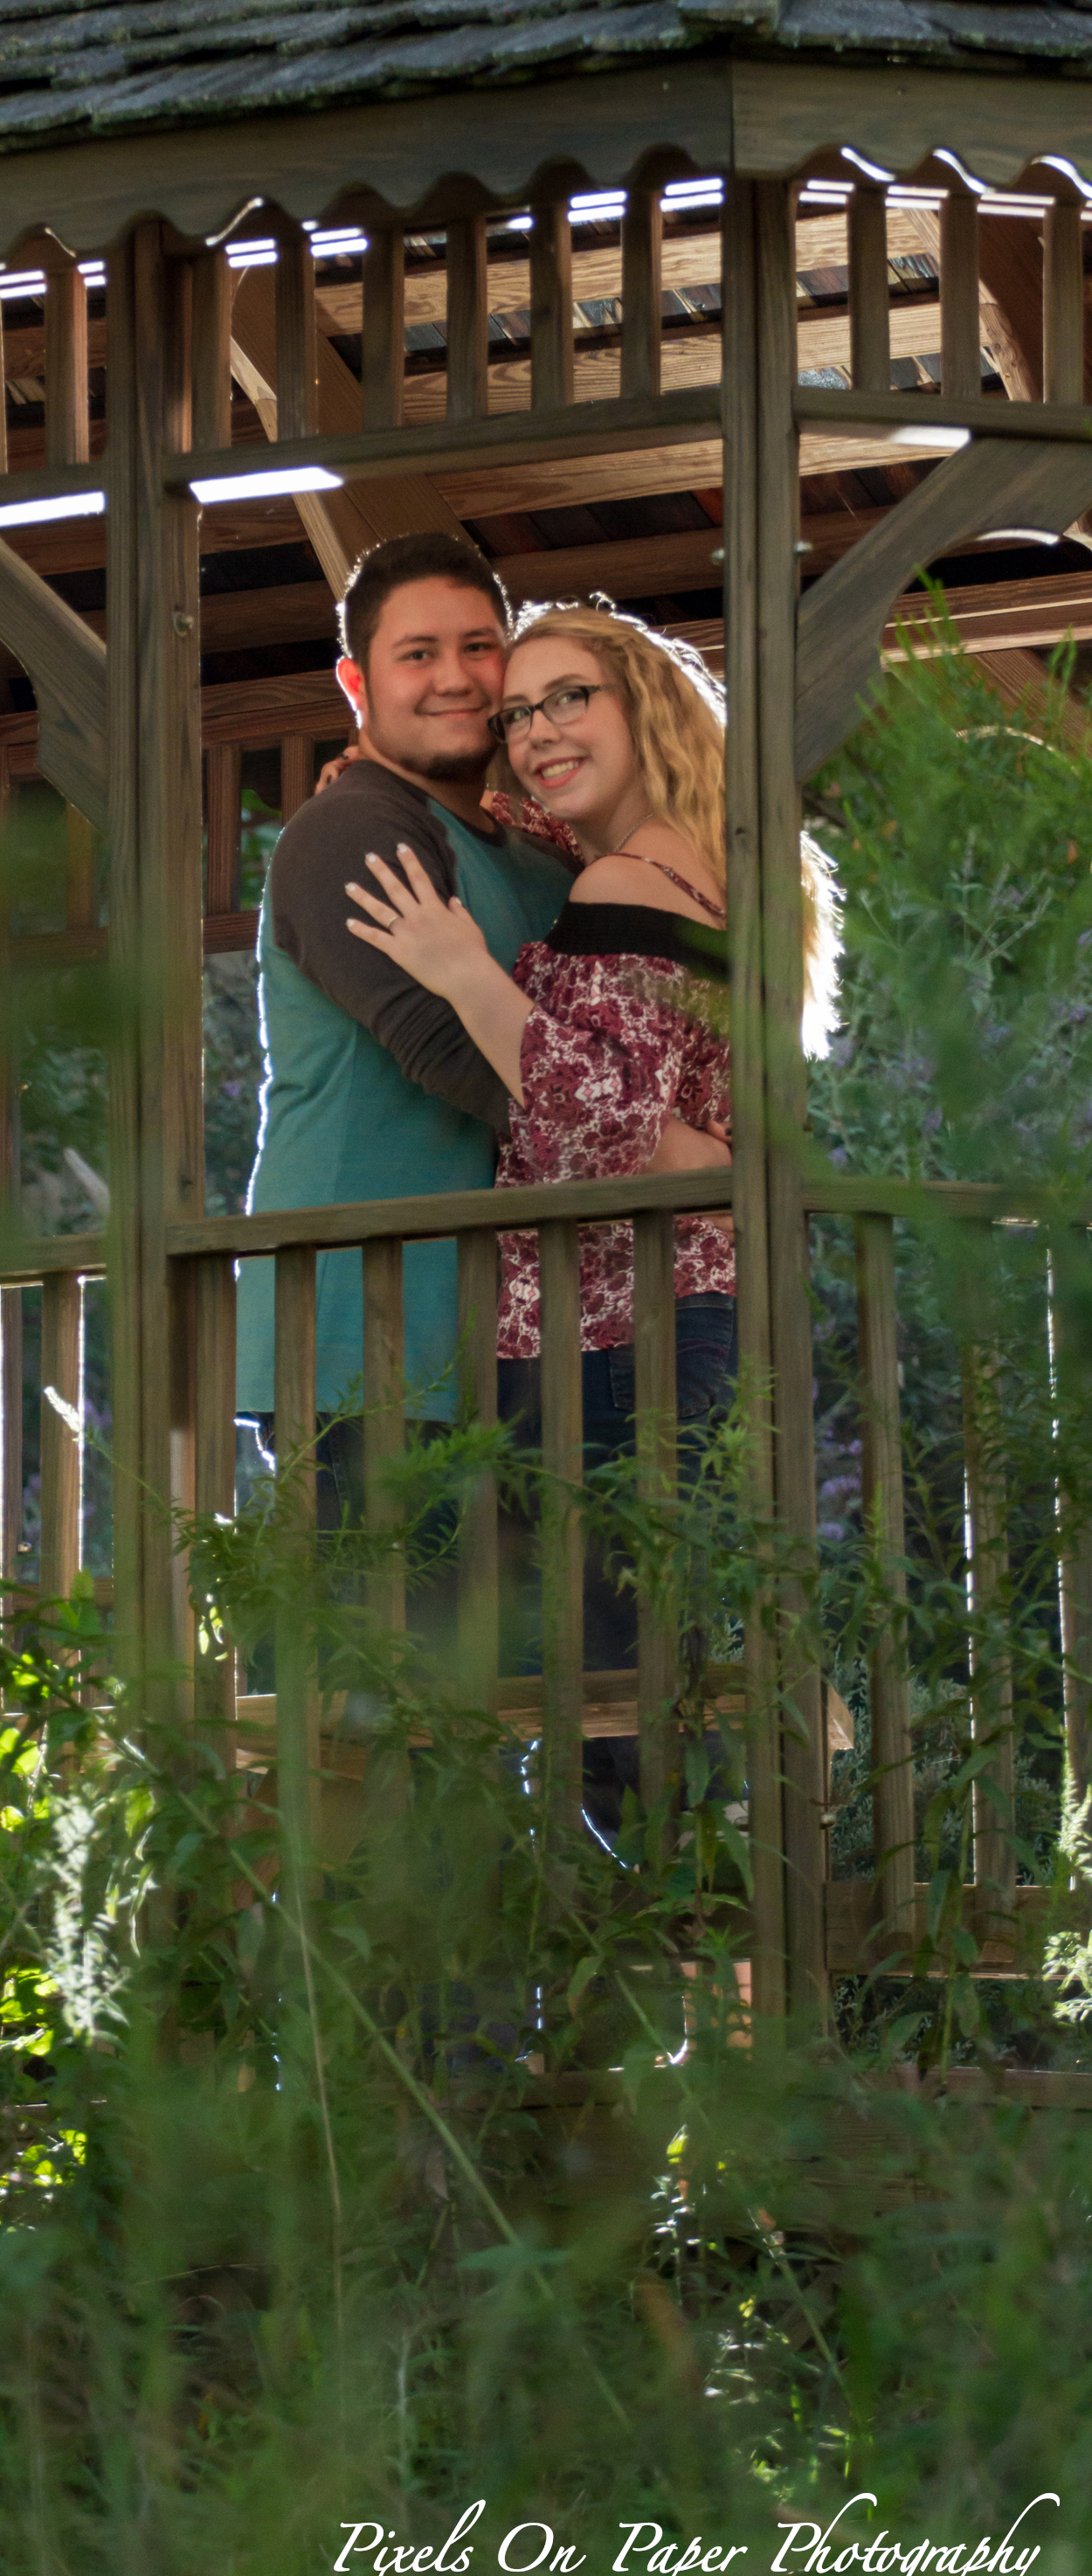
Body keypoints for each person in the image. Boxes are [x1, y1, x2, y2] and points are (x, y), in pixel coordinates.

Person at [342, 598, 833, 1842]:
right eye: (518, 713)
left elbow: (594, 1127)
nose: (536, 730)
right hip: (688, 1323)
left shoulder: (622, 880)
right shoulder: (703, 860)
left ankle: (705, 1972)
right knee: (661, 1673)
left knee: (617, 1704)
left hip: (614, 1332)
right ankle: (713, 1992)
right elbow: (686, 1119)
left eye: (572, 698)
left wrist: (462, 970)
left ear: (645, 703)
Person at [234, 542, 730, 1585]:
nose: (455, 677)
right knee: (370, 1705)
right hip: (365, 1334)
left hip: (513, 1346)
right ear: (356, 683)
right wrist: (676, 1152)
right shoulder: (350, 830)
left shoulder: (539, 851)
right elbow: (458, 1057)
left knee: (518, 1696)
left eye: (476, 648)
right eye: (417, 654)